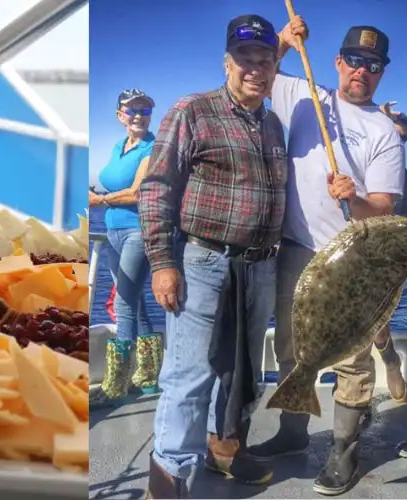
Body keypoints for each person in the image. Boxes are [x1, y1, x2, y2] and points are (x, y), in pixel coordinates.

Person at [249, 18, 407, 497]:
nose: (362, 71)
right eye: (355, 61)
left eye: (373, 65)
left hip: (353, 260)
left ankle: (343, 449)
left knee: (352, 360)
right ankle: (293, 434)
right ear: (339, 62)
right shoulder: (304, 96)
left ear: (381, 74)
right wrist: (282, 38)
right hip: (296, 249)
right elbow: (260, 72)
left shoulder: (384, 131)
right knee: (290, 348)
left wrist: (353, 198)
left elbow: (383, 206)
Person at [138, 14, 286, 497]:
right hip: (203, 262)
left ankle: (225, 448)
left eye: (265, 60)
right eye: (246, 59)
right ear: (227, 63)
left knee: (241, 370)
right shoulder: (192, 110)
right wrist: (162, 263)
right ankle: (170, 480)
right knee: (190, 374)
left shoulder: (274, 125)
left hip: (261, 264)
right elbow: (157, 188)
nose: (256, 69)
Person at [89, 89, 162, 407]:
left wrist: (100, 199)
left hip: (138, 232)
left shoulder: (152, 146)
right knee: (137, 304)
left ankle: (115, 385)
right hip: (113, 232)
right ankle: (146, 377)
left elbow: (137, 194)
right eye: (132, 111)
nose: (138, 116)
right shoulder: (119, 146)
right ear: (120, 116)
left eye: (145, 110)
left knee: (123, 304)